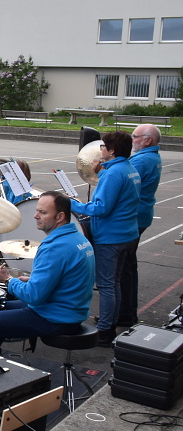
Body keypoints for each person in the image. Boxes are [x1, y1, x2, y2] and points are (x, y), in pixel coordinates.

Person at [0, 192, 96, 369]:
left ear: (60, 216)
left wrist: (8, 280)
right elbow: (68, 279)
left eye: (43, 212)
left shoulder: (55, 247)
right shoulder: (78, 239)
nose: (36, 216)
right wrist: (31, 280)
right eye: (37, 211)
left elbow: (34, 296)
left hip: (55, 318)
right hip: (71, 311)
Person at [70, 131, 141, 347]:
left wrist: (70, 203)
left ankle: (104, 331)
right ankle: (112, 321)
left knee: (107, 285)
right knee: (115, 282)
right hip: (127, 233)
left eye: (103, 147)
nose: (100, 150)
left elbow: (101, 208)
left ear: (111, 150)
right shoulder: (130, 169)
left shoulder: (113, 174)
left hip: (112, 237)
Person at [118, 124, 163, 329]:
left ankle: (124, 316)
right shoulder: (150, 157)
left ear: (148, 140)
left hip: (133, 218)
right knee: (128, 266)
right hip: (140, 216)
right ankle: (127, 313)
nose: (132, 140)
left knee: (122, 270)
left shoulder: (143, 159)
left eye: (135, 137)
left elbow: (122, 182)